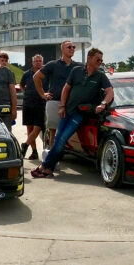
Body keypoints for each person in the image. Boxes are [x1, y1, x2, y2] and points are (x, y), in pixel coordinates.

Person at [31, 48, 114, 179]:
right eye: (98, 59)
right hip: (67, 110)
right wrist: (62, 106)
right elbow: (66, 89)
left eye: (101, 60)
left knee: (62, 140)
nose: (100, 62)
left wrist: (103, 103)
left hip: (79, 114)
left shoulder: (100, 76)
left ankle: (43, 167)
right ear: (89, 58)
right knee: (58, 139)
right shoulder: (76, 71)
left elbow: (110, 92)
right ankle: (48, 169)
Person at [33, 40, 80, 152]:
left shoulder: (78, 66)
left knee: (67, 132)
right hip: (54, 102)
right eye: (69, 47)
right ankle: (52, 156)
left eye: (73, 47)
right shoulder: (53, 65)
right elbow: (36, 77)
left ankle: (62, 152)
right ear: (62, 49)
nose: (72, 48)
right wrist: (42, 94)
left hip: (71, 104)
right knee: (53, 132)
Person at [20, 54, 46, 161]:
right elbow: (21, 85)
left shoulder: (46, 73)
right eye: (36, 61)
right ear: (32, 62)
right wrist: (26, 93)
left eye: (40, 61)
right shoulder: (26, 74)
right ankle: (34, 152)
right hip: (28, 104)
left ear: (43, 62)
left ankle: (25, 145)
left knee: (38, 128)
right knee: (30, 128)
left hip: (41, 104)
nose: (38, 62)